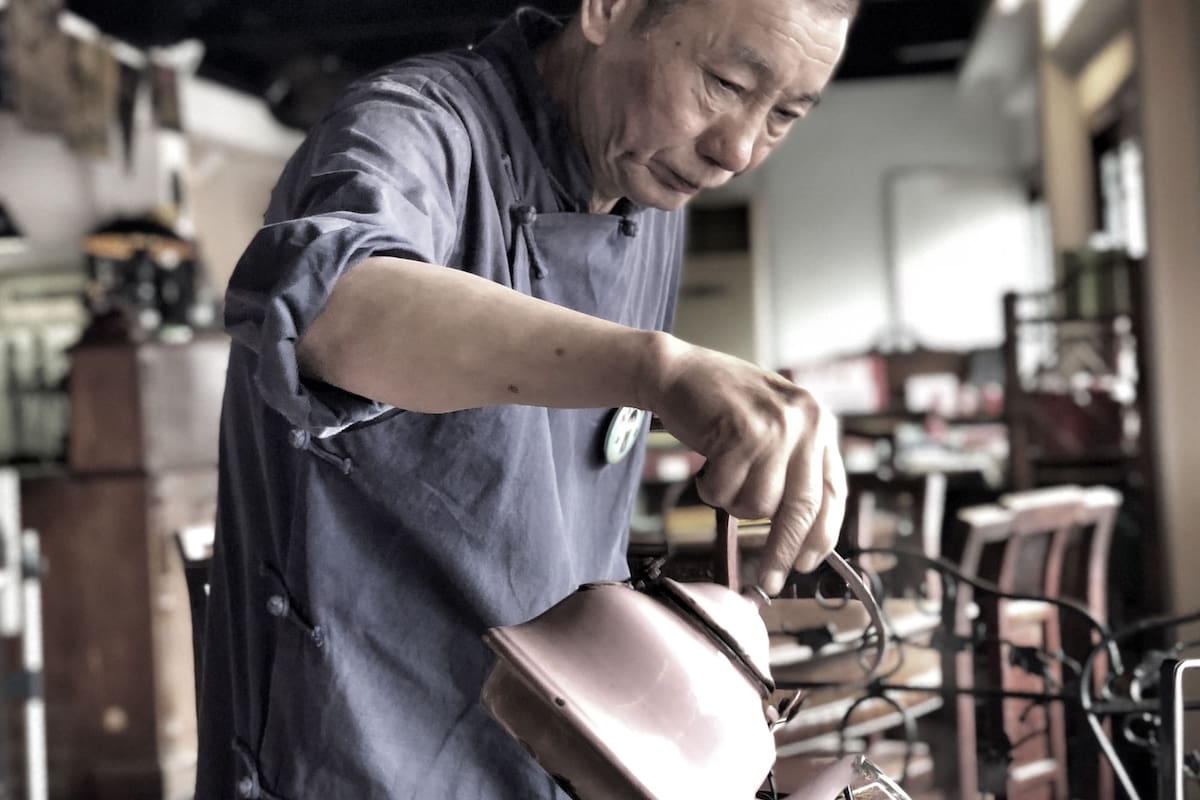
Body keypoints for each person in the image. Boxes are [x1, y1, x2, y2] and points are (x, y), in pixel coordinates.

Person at [197, 0, 858, 796]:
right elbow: (333, 311)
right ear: (608, 9)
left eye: (783, 116)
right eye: (723, 83)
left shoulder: (645, 188)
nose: (737, 149)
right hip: (356, 745)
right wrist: (656, 368)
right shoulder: (416, 124)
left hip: (549, 744)